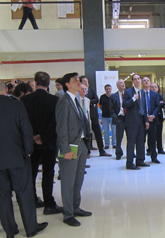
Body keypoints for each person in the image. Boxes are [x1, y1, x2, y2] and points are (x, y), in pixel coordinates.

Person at [0, 78, 48, 237]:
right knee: (24, 193)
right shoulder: (17, 105)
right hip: (18, 157)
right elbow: (26, 130)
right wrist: (28, 151)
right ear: (6, 90)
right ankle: (30, 228)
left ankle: (10, 231)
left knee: (3, 195)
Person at [22, 71, 63, 215]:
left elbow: (24, 122)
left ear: (35, 82)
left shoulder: (25, 100)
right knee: (48, 172)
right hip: (49, 142)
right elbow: (54, 122)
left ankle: (32, 199)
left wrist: (33, 136)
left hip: (31, 143)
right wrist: (43, 137)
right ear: (48, 84)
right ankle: (49, 203)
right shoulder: (54, 100)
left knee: (31, 172)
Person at [55, 73, 92, 226]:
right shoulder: (64, 101)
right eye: (75, 80)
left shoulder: (76, 100)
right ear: (67, 85)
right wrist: (65, 149)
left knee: (78, 180)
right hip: (70, 146)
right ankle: (68, 213)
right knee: (68, 182)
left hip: (81, 144)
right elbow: (61, 128)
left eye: (79, 79)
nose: (79, 82)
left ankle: (76, 207)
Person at [123, 74, 150, 169]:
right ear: (133, 82)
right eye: (135, 79)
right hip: (131, 122)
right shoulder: (128, 92)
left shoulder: (143, 92)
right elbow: (124, 105)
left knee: (140, 142)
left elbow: (144, 107)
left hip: (141, 121)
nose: (137, 81)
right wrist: (133, 99)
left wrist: (146, 120)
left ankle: (140, 160)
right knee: (131, 142)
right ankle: (129, 163)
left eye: (139, 79)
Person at [81, 76, 110, 156]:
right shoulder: (79, 92)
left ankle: (102, 150)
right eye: (84, 81)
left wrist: (87, 101)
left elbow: (96, 100)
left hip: (93, 114)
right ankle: (87, 151)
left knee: (98, 132)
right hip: (84, 115)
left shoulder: (92, 90)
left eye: (87, 81)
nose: (86, 82)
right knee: (86, 133)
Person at [142, 77, 160, 163]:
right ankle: (141, 158)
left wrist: (153, 115)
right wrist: (145, 117)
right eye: (144, 80)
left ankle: (154, 157)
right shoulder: (139, 93)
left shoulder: (154, 94)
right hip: (142, 121)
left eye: (147, 80)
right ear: (142, 83)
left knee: (153, 139)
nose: (146, 82)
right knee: (141, 140)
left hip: (153, 120)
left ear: (150, 83)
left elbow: (157, 106)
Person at [110, 79, 127, 160]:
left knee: (131, 137)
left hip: (128, 118)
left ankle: (131, 152)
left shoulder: (128, 94)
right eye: (120, 83)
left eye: (123, 83)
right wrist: (115, 117)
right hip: (119, 118)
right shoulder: (113, 96)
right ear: (117, 86)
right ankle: (118, 153)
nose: (123, 84)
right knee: (119, 137)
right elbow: (111, 109)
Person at [151, 83, 165, 155]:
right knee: (151, 135)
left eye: (155, 87)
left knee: (159, 134)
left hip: (159, 117)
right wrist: (158, 104)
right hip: (151, 117)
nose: (154, 88)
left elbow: (162, 105)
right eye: (152, 87)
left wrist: (158, 104)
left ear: (158, 88)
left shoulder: (160, 96)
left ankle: (160, 149)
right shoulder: (149, 96)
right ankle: (150, 150)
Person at [99, 84, 116, 149]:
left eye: (109, 89)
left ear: (111, 89)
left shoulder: (114, 96)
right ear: (105, 90)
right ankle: (106, 144)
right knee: (106, 131)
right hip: (104, 116)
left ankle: (114, 144)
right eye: (107, 89)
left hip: (113, 116)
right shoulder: (102, 97)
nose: (108, 90)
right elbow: (100, 106)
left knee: (114, 131)